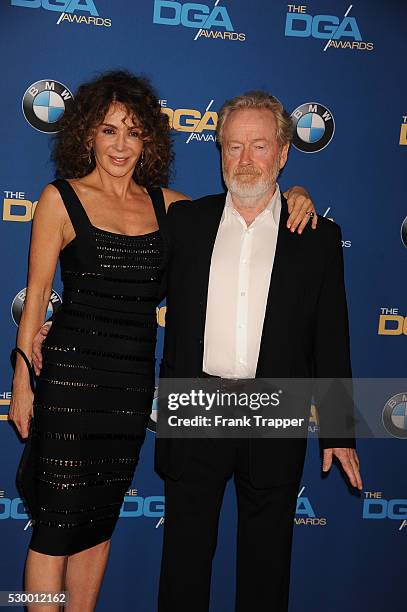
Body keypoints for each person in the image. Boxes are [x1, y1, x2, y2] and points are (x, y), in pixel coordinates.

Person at [12, 71, 316, 612]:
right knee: (54, 525)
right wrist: (20, 379)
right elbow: (36, 297)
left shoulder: (171, 208)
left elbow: (242, 207)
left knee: (97, 521)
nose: (121, 145)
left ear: (148, 139)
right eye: (109, 131)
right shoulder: (59, 199)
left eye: (133, 132)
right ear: (87, 136)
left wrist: (293, 192)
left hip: (129, 389)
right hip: (70, 383)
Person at [154, 91, 362, 612]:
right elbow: (130, 285)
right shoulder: (187, 223)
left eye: (260, 146)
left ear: (285, 153)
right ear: (219, 150)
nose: (244, 160)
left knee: (268, 569)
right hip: (197, 409)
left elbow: (331, 337)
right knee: (183, 566)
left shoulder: (315, 236)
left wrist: (338, 429)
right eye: (233, 146)